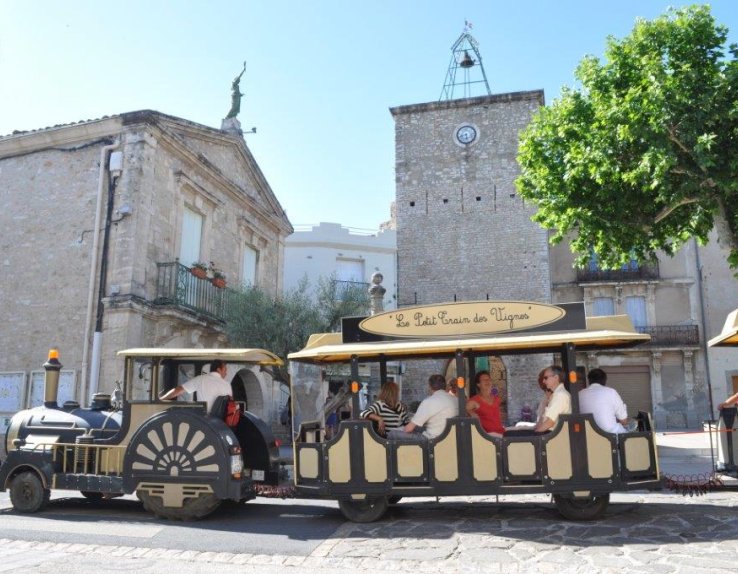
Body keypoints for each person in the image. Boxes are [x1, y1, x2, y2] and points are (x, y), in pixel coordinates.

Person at [388, 374, 458, 441]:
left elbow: (408, 429)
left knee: (392, 433)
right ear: (445, 386)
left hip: (432, 440)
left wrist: (401, 429)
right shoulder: (456, 399)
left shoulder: (429, 401)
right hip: (448, 437)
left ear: (430, 387)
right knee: (417, 427)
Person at [159, 359, 232, 413]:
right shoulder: (227, 385)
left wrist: (161, 399)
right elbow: (231, 403)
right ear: (219, 370)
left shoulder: (200, 379)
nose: (226, 373)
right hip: (221, 422)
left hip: (205, 420)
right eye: (225, 370)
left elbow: (178, 390)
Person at [579, 368, 633, 433]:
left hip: (588, 435)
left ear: (589, 380)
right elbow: (624, 421)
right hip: (611, 436)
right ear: (604, 380)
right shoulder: (611, 392)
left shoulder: (579, 394)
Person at [533, 365, 571, 433]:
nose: (544, 381)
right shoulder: (556, 394)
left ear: (556, 377)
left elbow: (549, 423)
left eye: (546, 378)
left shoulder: (560, 395)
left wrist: (536, 435)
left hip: (554, 437)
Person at [466, 371, 504, 435]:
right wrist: (470, 413)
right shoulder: (475, 400)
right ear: (478, 384)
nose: (487, 381)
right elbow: (464, 410)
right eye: (484, 380)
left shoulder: (497, 399)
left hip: (501, 433)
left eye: (489, 379)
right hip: (487, 437)